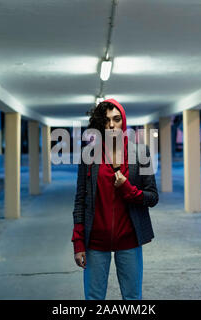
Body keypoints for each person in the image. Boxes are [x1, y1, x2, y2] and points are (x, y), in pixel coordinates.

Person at [71, 98, 159, 300]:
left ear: (124, 121)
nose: (111, 125)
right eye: (106, 120)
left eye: (116, 119)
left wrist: (128, 190)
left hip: (129, 238)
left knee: (132, 298)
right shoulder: (88, 154)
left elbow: (153, 197)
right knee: (94, 298)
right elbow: (79, 201)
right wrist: (78, 243)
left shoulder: (141, 153)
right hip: (95, 241)